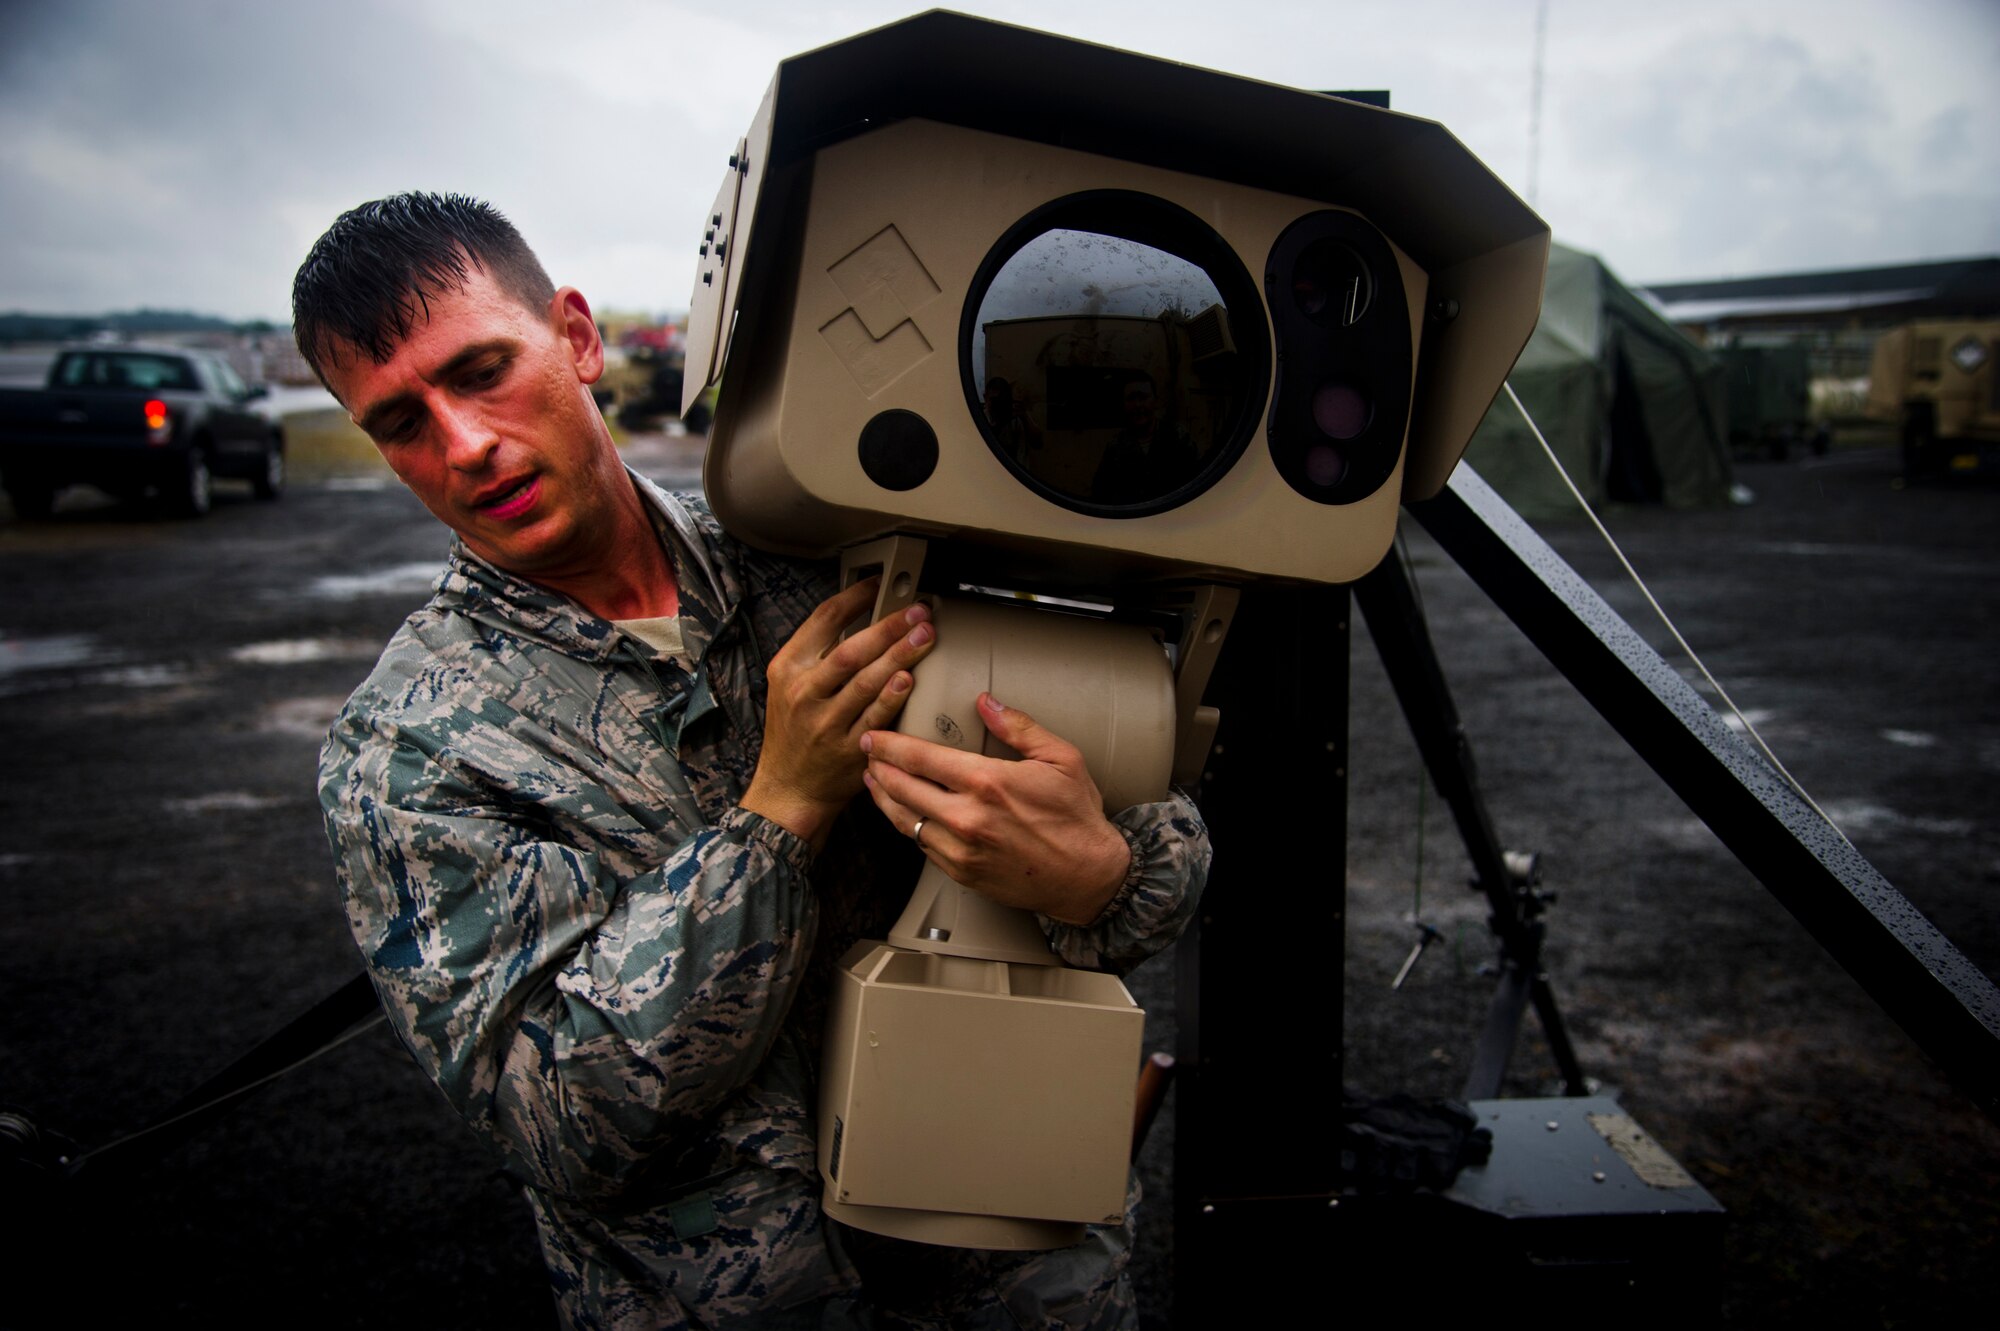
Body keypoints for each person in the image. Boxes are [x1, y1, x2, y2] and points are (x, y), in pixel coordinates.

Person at [293, 193, 1209, 1329]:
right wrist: (776, 812)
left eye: (481, 369)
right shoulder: (408, 747)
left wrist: (1100, 874)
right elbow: (562, 1124)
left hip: (1019, 1283)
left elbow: (1143, 820)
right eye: (401, 422)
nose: (465, 445)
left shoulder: (839, 561)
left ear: (576, 337)